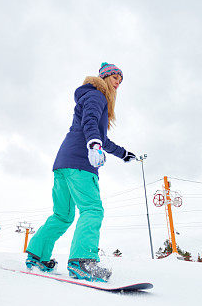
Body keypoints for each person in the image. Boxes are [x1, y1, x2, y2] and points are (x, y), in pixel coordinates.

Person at [25, 62, 136, 282]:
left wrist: (123, 153)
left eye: (120, 81)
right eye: (115, 78)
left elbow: (100, 136)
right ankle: (82, 262)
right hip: (80, 163)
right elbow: (91, 122)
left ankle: (37, 256)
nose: (118, 84)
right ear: (104, 78)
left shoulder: (90, 95)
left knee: (62, 215)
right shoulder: (97, 95)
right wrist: (93, 145)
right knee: (92, 209)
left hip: (63, 163)